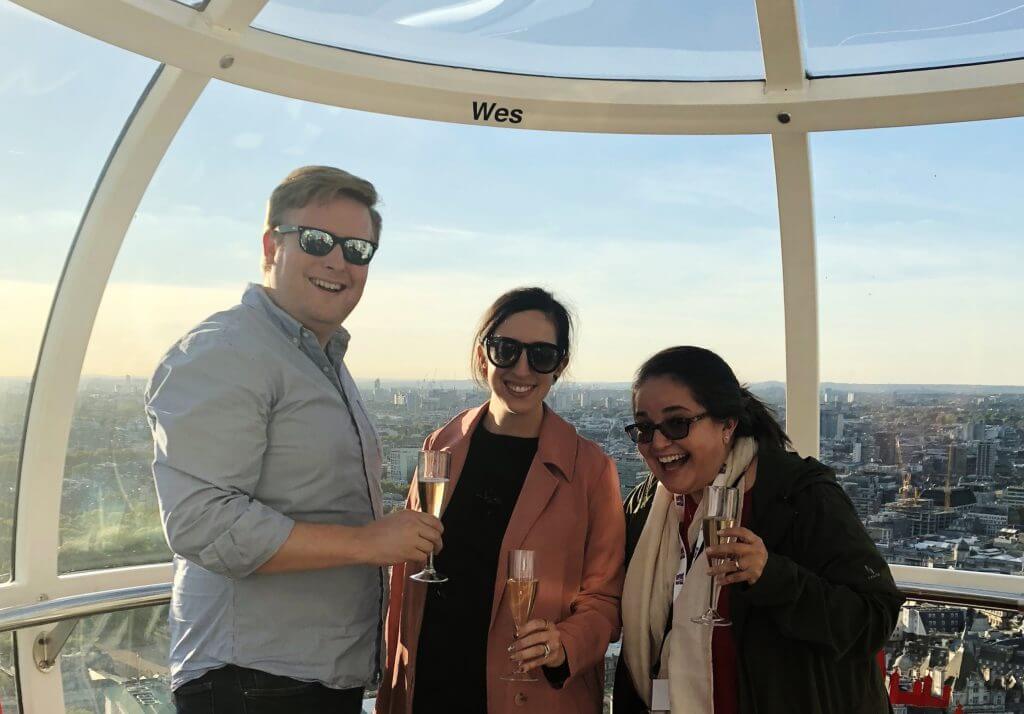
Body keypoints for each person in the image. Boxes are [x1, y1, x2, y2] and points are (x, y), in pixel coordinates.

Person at [146, 166, 443, 714]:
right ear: (270, 245)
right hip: (253, 681)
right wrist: (367, 543)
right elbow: (202, 521)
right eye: (316, 240)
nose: (338, 261)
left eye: (358, 249)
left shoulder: (319, 361)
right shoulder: (227, 350)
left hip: (310, 676)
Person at [614, 346, 904, 714]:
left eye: (677, 423)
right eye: (644, 428)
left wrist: (773, 576)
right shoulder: (645, 507)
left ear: (727, 424)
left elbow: (874, 616)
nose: (657, 443)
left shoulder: (800, 497)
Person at [376, 287, 625, 714]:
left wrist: (564, 644)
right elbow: (409, 578)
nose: (522, 368)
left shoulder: (590, 470)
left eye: (542, 355)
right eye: (506, 349)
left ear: (559, 366)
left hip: (531, 693)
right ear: (482, 355)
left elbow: (604, 599)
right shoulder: (441, 446)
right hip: (432, 684)